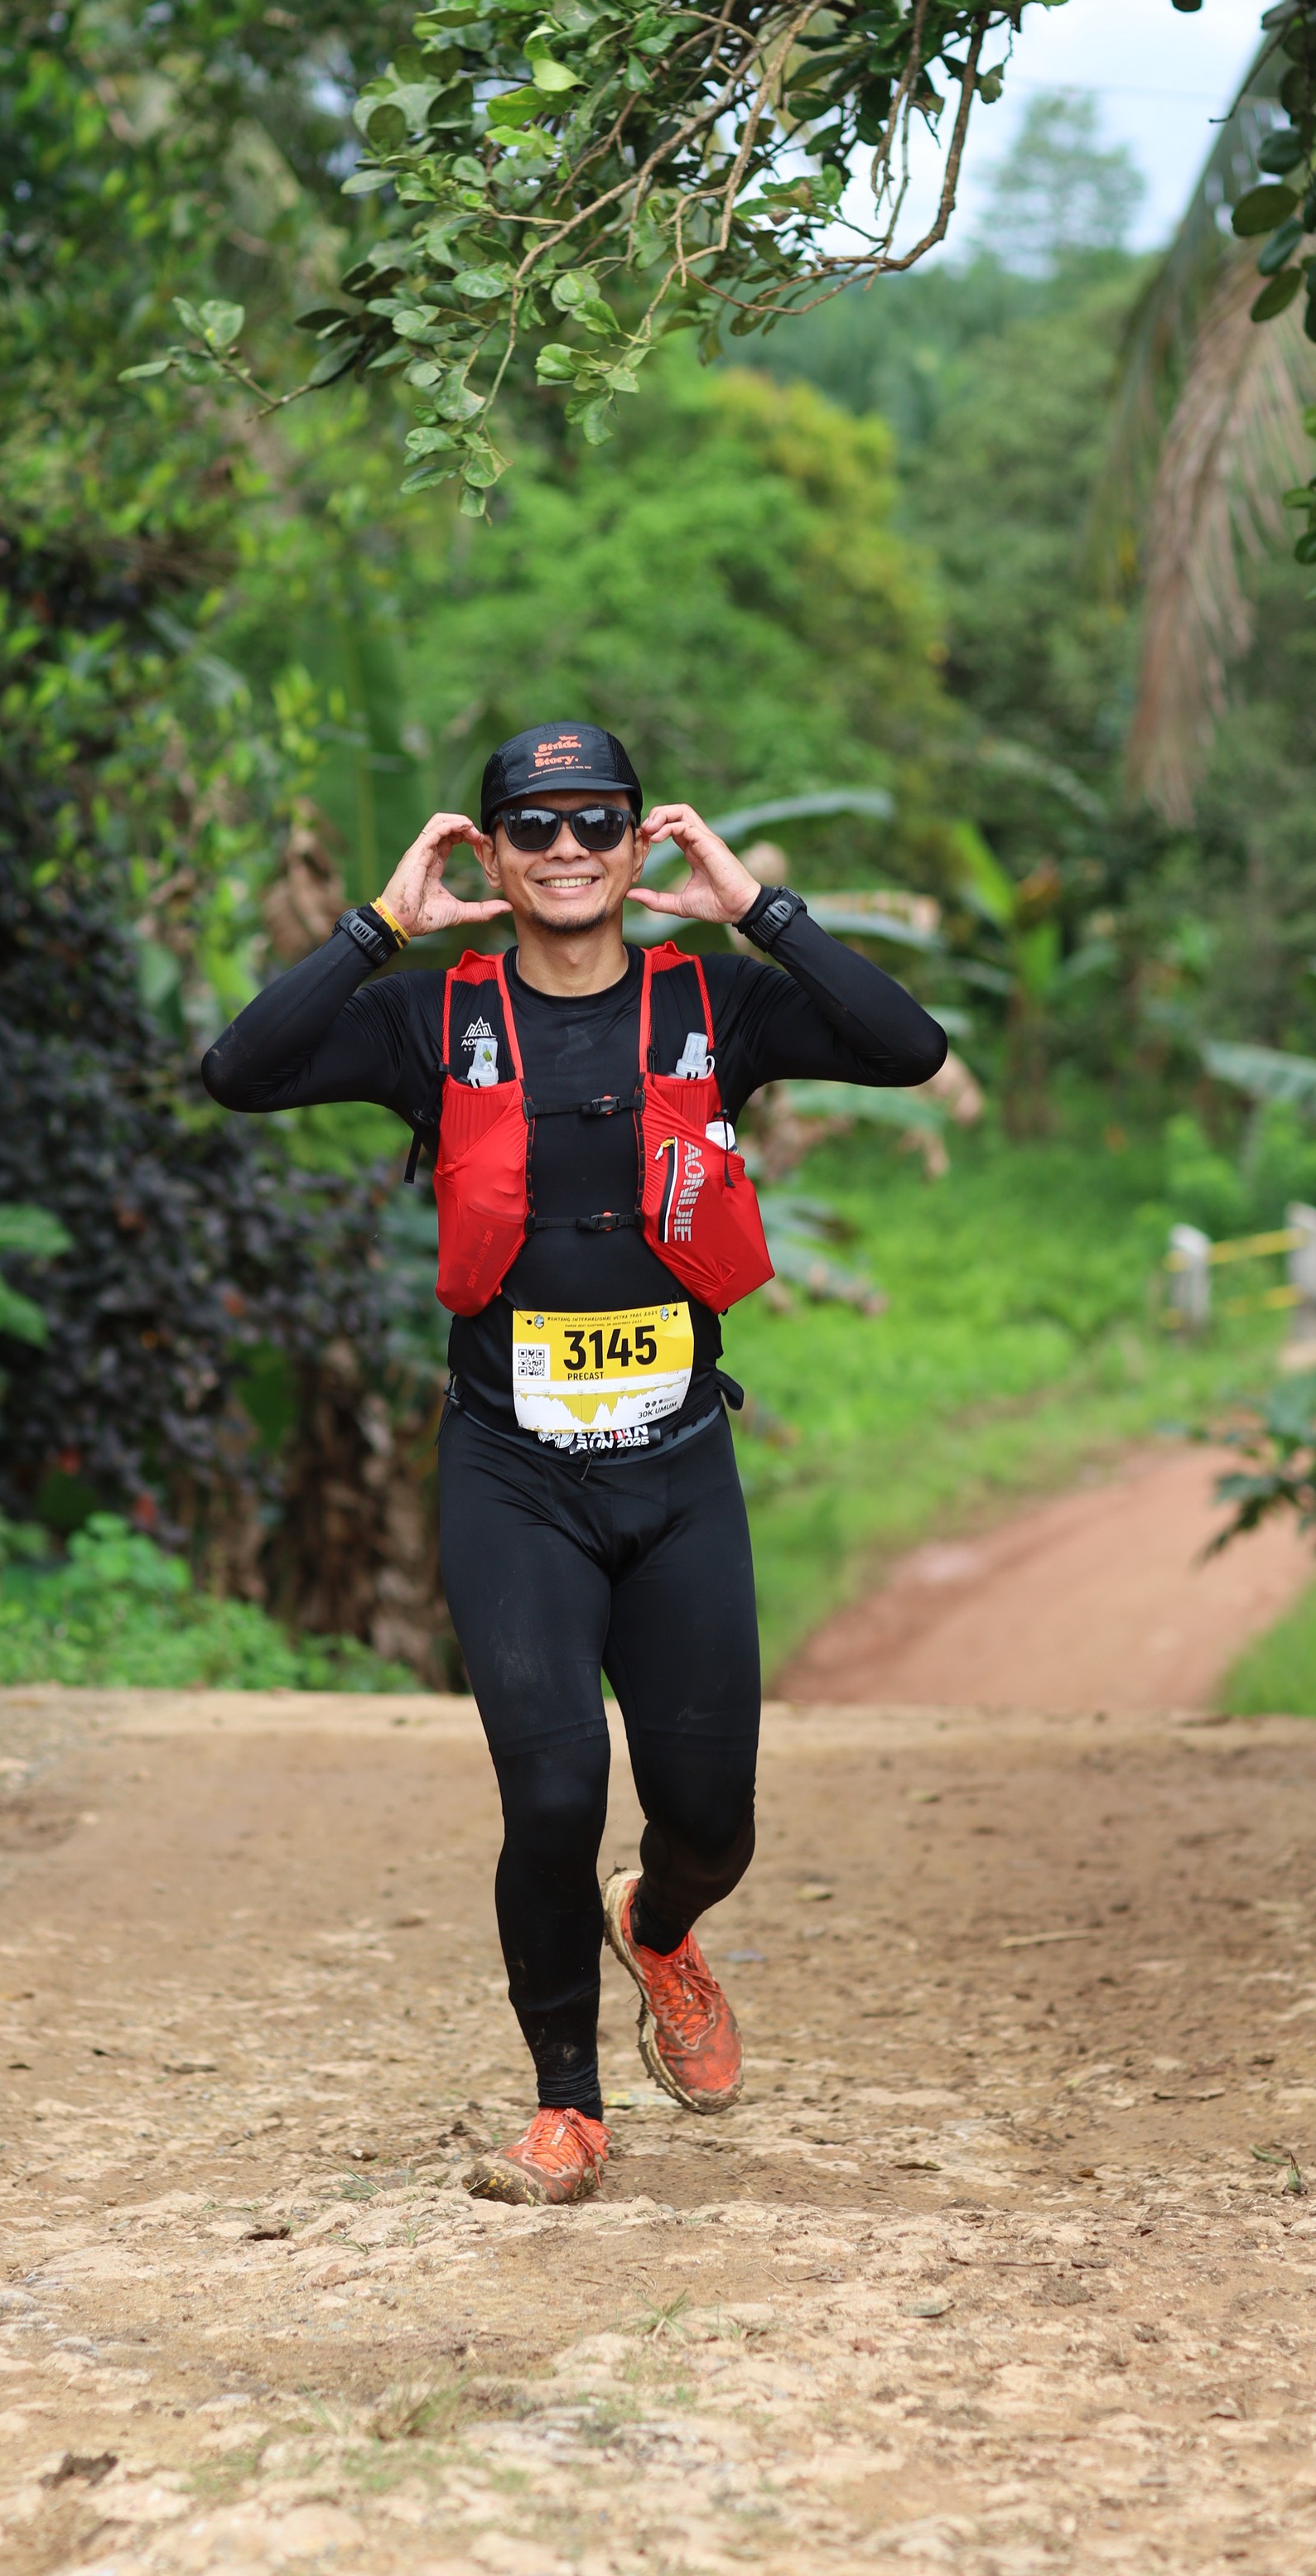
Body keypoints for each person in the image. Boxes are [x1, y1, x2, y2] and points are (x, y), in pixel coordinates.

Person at [202, 724, 946, 2203]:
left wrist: (758, 912)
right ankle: (567, 2109)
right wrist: (379, 926)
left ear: (639, 839)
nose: (564, 849)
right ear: (489, 850)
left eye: (596, 821)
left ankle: (658, 1927)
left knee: (712, 1822)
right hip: (512, 1474)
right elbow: (238, 1070)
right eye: (531, 825)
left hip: (678, 1473)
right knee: (549, 1796)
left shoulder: (715, 1002)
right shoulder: (433, 1018)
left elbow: (907, 1048)